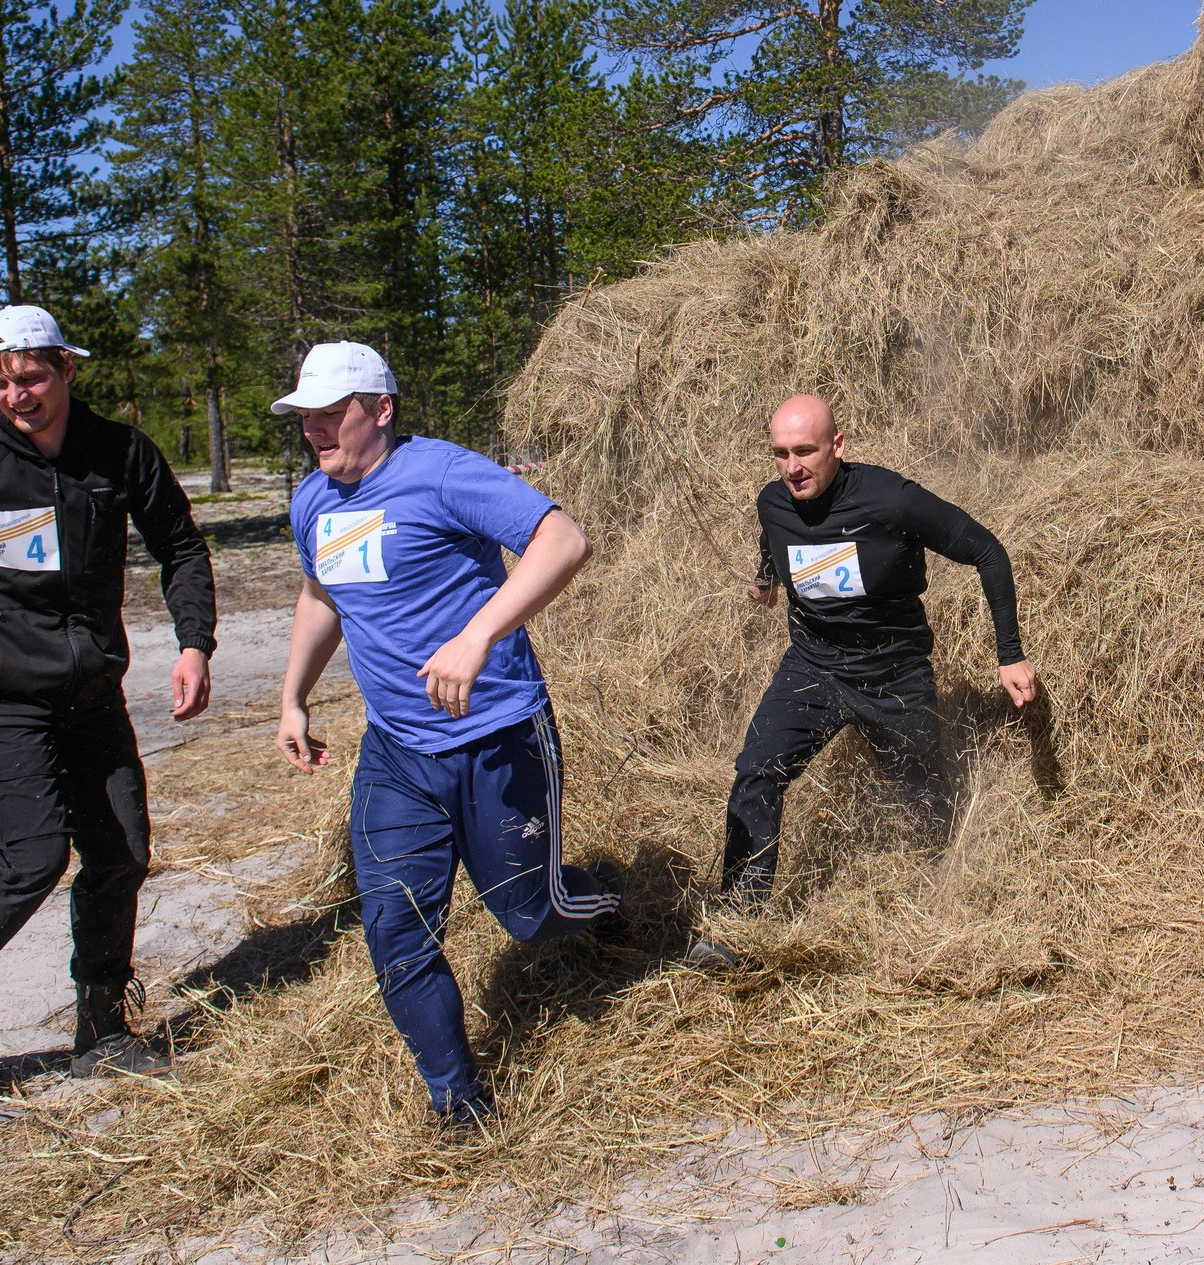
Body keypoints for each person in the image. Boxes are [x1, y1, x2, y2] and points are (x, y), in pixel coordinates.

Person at [270, 342, 618, 1134]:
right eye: (307, 417)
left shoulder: (441, 473)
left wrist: (478, 635)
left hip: (498, 735)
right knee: (394, 924)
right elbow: (323, 593)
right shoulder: (312, 502)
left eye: (334, 412)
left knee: (528, 913)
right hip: (396, 751)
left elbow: (564, 541)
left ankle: (606, 898)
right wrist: (294, 697)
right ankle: (456, 1097)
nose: (318, 431)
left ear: (381, 409)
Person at [0, 304, 217, 1087]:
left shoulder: (119, 451)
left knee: (122, 851)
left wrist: (194, 641)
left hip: (93, 694)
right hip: (3, 700)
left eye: (29, 375)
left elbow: (182, 545)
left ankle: (100, 1026)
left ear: (66, 367)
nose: (15, 394)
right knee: (33, 855)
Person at [688, 395, 1039, 970]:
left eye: (805, 451)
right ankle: (739, 924)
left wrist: (1010, 655)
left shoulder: (891, 500)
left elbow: (987, 551)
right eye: (780, 453)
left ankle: (938, 898)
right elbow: (773, 536)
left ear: (837, 446)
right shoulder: (773, 501)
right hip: (813, 667)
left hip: (892, 674)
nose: (792, 467)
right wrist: (766, 580)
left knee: (924, 795)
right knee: (757, 770)